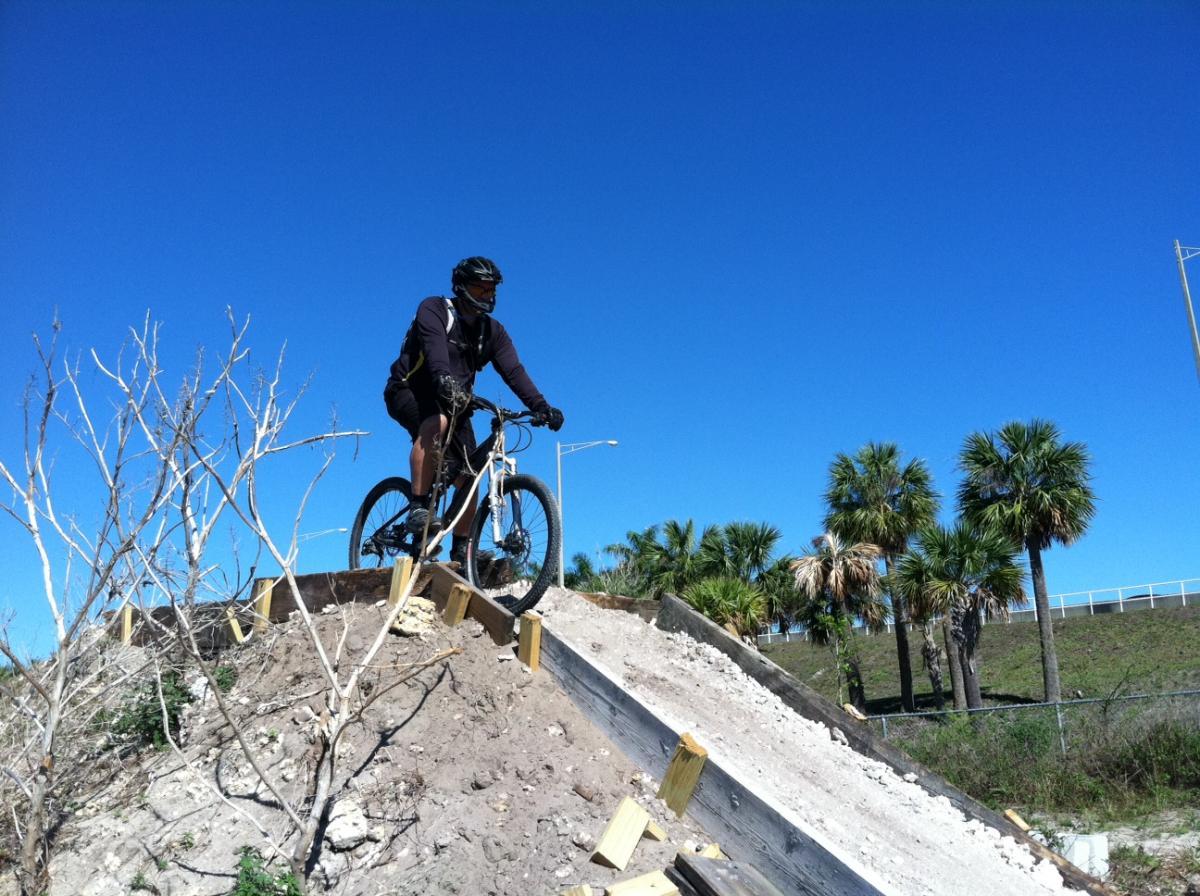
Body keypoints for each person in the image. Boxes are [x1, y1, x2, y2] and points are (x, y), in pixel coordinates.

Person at [383, 256, 564, 564]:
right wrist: (443, 379)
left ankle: (461, 551)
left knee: (471, 474)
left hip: (458, 403)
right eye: (480, 289)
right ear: (461, 286)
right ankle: (417, 506)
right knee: (436, 422)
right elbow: (434, 350)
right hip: (410, 390)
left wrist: (541, 407)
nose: (488, 296)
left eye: (491, 290)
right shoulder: (435, 309)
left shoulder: (492, 332)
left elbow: (514, 371)